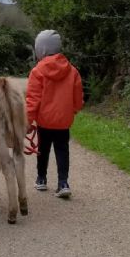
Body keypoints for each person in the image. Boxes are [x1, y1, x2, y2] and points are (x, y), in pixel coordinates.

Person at [25, 29, 84, 199]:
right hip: (64, 121)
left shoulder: (37, 71)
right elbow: (78, 96)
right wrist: (74, 109)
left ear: (41, 49)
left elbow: (32, 99)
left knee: (42, 150)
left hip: (44, 121)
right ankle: (63, 183)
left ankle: (41, 179)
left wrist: (28, 121)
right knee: (62, 150)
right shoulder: (72, 71)